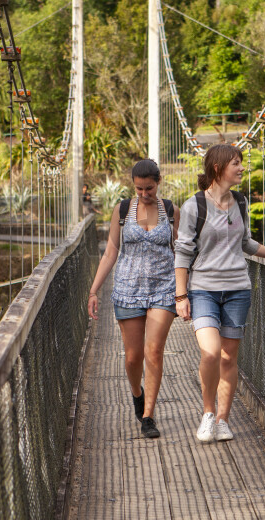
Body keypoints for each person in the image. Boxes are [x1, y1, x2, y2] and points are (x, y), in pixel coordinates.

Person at [174, 144, 265, 443]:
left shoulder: (240, 202)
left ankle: (224, 420)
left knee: (228, 358)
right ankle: (208, 413)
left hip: (238, 288)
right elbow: (183, 252)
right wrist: (180, 296)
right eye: (236, 164)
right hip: (203, 290)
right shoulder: (193, 206)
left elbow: (246, 243)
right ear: (218, 168)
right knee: (210, 352)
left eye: (241, 163)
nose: (241, 168)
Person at [87, 159, 179, 439]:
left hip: (164, 288)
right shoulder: (123, 209)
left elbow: (184, 251)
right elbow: (111, 250)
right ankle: (137, 394)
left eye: (148, 188)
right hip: (127, 290)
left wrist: (186, 292)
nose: (144, 194)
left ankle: (148, 415)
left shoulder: (172, 210)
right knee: (132, 358)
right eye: (138, 189)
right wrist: (93, 290)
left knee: (153, 351)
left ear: (158, 182)